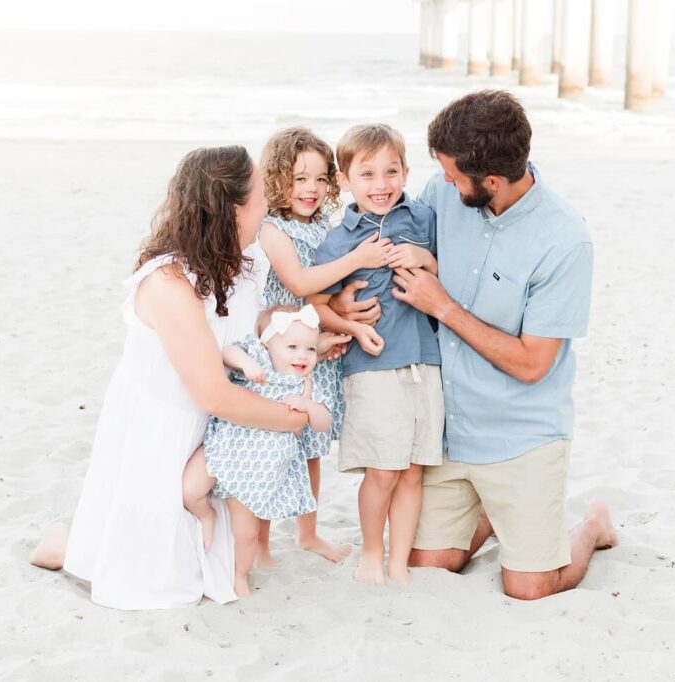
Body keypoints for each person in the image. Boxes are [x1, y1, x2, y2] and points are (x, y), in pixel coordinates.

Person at [29, 146, 322, 610]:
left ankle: (79, 536)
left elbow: (252, 330)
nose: (270, 203)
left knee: (215, 567)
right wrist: (290, 420)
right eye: (261, 194)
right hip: (164, 427)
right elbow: (211, 391)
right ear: (233, 209)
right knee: (154, 581)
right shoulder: (168, 282)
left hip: (216, 434)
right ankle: (63, 542)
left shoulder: (245, 262)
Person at [366, 90, 617, 600]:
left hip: (519, 434)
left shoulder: (565, 241)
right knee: (428, 566)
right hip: (447, 429)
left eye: (455, 176)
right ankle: (494, 511)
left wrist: (444, 306)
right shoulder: (444, 192)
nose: (444, 182)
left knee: (529, 588)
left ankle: (592, 524)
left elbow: (532, 365)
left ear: (493, 182)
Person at [309, 123, 444, 587]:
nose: (381, 184)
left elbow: (446, 271)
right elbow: (315, 303)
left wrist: (424, 260)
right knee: (383, 470)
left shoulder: (423, 218)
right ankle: (371, 551)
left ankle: (398, 561)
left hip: (425, 362)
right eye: (366, 174)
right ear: (345, 180)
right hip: (372, 367)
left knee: (411, 471)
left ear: (406, 172)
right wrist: (345, 317)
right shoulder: (340, 239)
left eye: (390, 171)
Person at [256, 127, 392, 564]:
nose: (311, 189)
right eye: (299, 179)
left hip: (315, 349)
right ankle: (258, 539)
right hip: (282, 352)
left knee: (311, 447)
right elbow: (297, 283)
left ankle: (307, 533)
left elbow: (328, 293)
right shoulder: (272, 229)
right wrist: (358, 259)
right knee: (273, 444)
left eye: (319, 179)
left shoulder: (323, 227)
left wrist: (341, 321)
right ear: (277, 179)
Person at [182, 304, 334, 597]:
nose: (302, 355)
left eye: (310, 349)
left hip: (257, 468)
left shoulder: (305, 385)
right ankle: (206, 516)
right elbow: (227, 351)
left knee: (247, 533)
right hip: (224, 445)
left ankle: (240, 575)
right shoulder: (256, 357)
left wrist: (309, 407)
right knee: (190, 491)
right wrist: (248, 366)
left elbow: (323, 423)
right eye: (292, 347)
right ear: (267, 345)